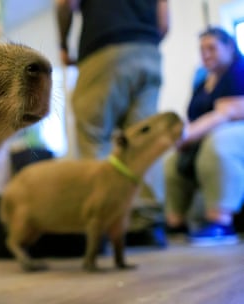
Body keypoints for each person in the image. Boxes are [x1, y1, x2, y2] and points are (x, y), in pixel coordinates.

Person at [55, 0, 169, 245]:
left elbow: (65, 4)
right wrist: (142, 40)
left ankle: (102, 227)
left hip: (104, 48)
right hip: (148, 50)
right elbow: (163, 21)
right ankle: (148, 224)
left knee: (93, 134)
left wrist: (63, 45)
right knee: (145, 141)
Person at [165, 27, 244, 246]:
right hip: (209, 134)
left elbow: (227, 112)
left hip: (235, 133)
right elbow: (191, 118)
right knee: (172, 161)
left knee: (219, 143)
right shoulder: (202, 83)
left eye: (212, 48)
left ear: (229, 47)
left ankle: (221, 222)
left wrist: (187, 135)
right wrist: (181, 139)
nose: (206, 54)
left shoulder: (239, 70)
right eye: (202, 49)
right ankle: (176, 223)